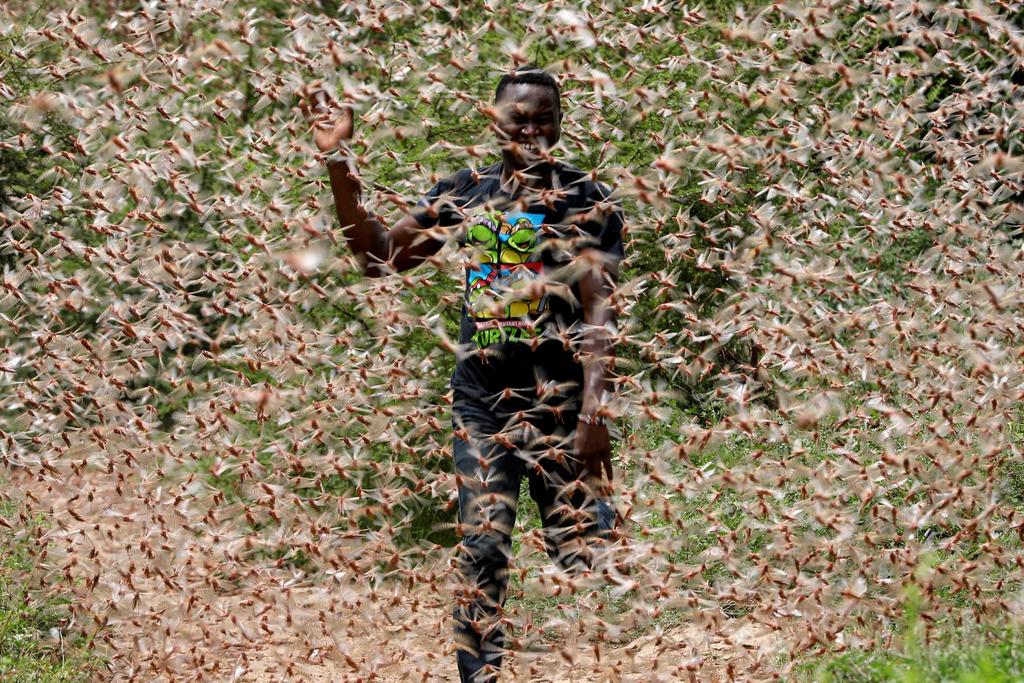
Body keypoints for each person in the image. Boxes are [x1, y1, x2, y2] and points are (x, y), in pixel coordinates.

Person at [302, 65, 623, 682]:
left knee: (587, 555)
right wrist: (338, 159)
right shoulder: (467, 193)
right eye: (517, 118)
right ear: (494, 121)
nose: (529, 129)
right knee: (483, 547)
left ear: (560, 125)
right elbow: (379, 258)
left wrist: (595, 413)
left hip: (560, 403)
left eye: (544, 118)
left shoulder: (589, 201)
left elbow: (599, 311)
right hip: (482, 404)